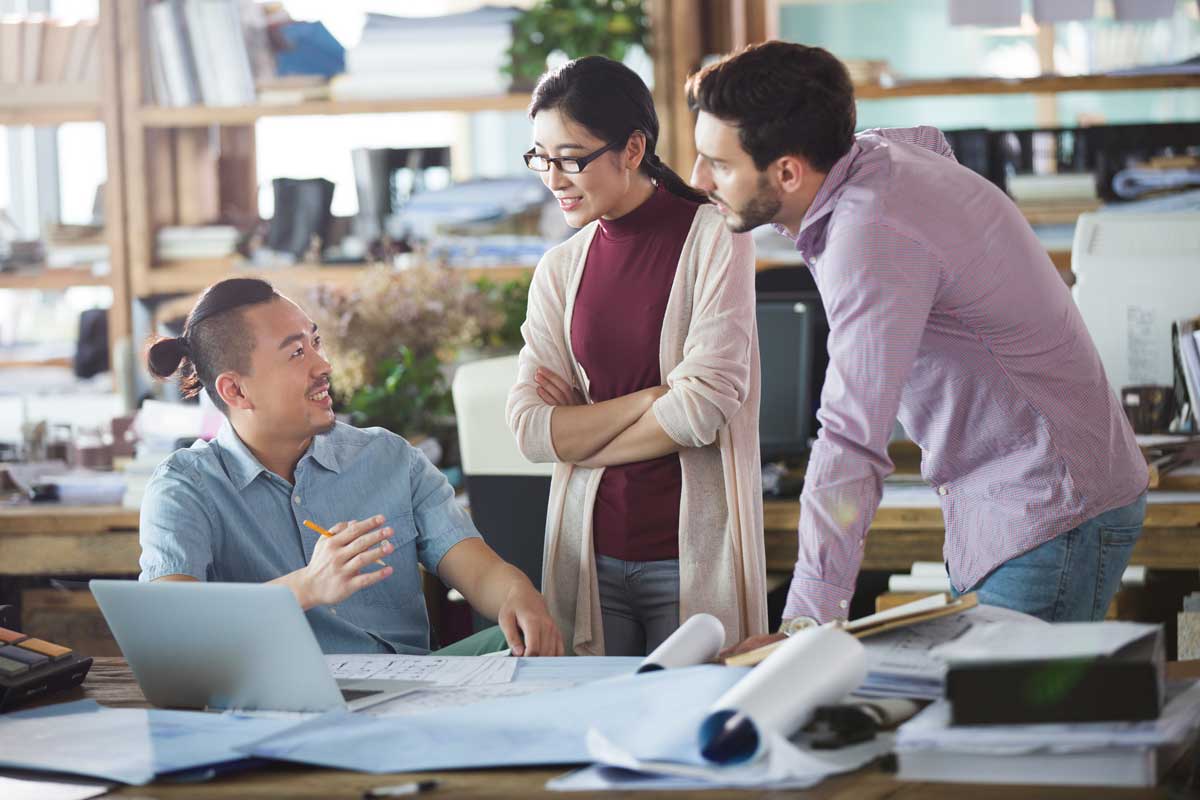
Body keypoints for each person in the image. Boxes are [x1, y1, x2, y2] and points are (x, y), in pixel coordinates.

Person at [684, 42, 1148, 653]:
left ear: (789, 172)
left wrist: (802, 627)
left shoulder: (869, 234)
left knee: (1000, 740)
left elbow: (851, 441)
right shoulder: (876, 153)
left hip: (1047, 508)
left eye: (717, 164)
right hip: (1016, 499)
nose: (698, 180)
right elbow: (934, 143)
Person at [140, 278, 563, 656]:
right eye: (296, 353)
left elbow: (480, 571)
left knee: (551, 640)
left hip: (417, 696)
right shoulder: (185, 487)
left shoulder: (390, 458)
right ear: (235, 390)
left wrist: (515, 594)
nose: (323, 366)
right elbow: (171, 627)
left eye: (316, 343)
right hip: (279, 708)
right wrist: (307, 587)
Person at [506, 56, 767, 657]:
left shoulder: (717, 237)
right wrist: (650, 399)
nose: (553, 177)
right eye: (540, 157)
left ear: (632, 149)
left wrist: (581, 437)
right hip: (587, 557)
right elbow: (530, 431)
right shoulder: (558, 270)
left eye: (571, 158)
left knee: (689, 733)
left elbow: (701, 408)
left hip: (691, 557)